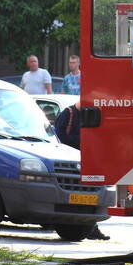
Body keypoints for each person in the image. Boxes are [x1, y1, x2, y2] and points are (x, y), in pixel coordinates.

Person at [53, 101, 109, 241]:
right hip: (71, 161)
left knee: (89, 194)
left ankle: (91, 227)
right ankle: (88, 227)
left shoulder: (89, 114)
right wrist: (85, 140)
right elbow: (60, 137)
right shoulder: (68, 113)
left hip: (86, 160)